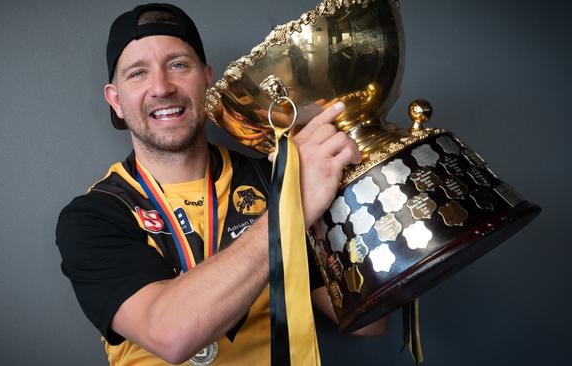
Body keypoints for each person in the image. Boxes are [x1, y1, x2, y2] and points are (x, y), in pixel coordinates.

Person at [56, 3, 387, 365]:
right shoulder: (94, 216)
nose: (162, 87)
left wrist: (360, 184)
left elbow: (366, 322)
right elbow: (171, 334)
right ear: (116, 100)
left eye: (178, 65)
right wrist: (289, 207)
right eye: (137, 73)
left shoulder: (271, 177)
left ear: (206, 78)